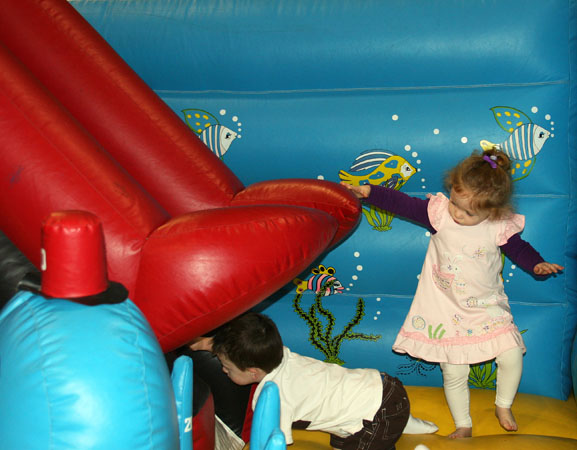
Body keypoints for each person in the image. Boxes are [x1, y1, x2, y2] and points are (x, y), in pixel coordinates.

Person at [341, 148, 564, 439]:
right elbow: (402, 203)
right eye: (456, 203)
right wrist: (368, 191)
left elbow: (519, 249)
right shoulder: (440, 215)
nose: (457, 213)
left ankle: (503, 404)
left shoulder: (498, 226)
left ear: (491, 210)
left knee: (511, 355)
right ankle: (463, 424)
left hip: (487, 308)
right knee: (455, 373)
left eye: (468, 211)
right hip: (446, 309)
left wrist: (537, 264)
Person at [190, 312, 438, 450]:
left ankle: (398, 425)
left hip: (379, 413)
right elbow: (238, 344)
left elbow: (275, 442)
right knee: (341, 439)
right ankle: (404, 422)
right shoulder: (277, 353)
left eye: (226, 367)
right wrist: (204, 343)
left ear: (254, 372)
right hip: (385, 387)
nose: (223, 371)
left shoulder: (278, 395)